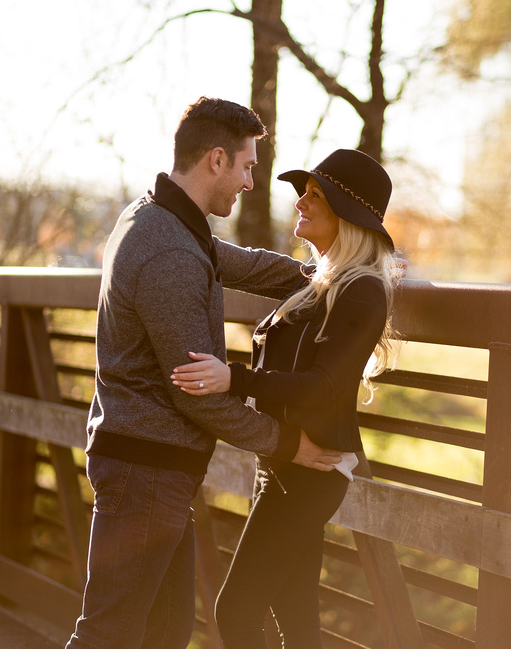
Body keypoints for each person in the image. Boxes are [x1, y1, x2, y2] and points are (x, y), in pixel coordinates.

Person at [65, 97, 341, 649]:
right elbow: (199, 396)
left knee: (164, 634)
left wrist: (329, 276)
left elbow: (240, 263)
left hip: (153, 467)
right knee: (109, 635)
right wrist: (290, 445)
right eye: (246, 166)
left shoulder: (160, 218)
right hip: (145, 470)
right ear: (217, 160)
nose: (248, 182)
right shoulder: (168, 249)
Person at [171, 148, 399, 649]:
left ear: (349, 216)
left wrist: (235, 379)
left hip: (311, 471)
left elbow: (323, 386)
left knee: (235, 610)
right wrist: (167, 222)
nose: (301, 201)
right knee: (297, 620)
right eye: (305, 190)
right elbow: (239, 264)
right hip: (281, 460)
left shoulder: (362, 291)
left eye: (316, 194)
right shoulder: (321, 283)